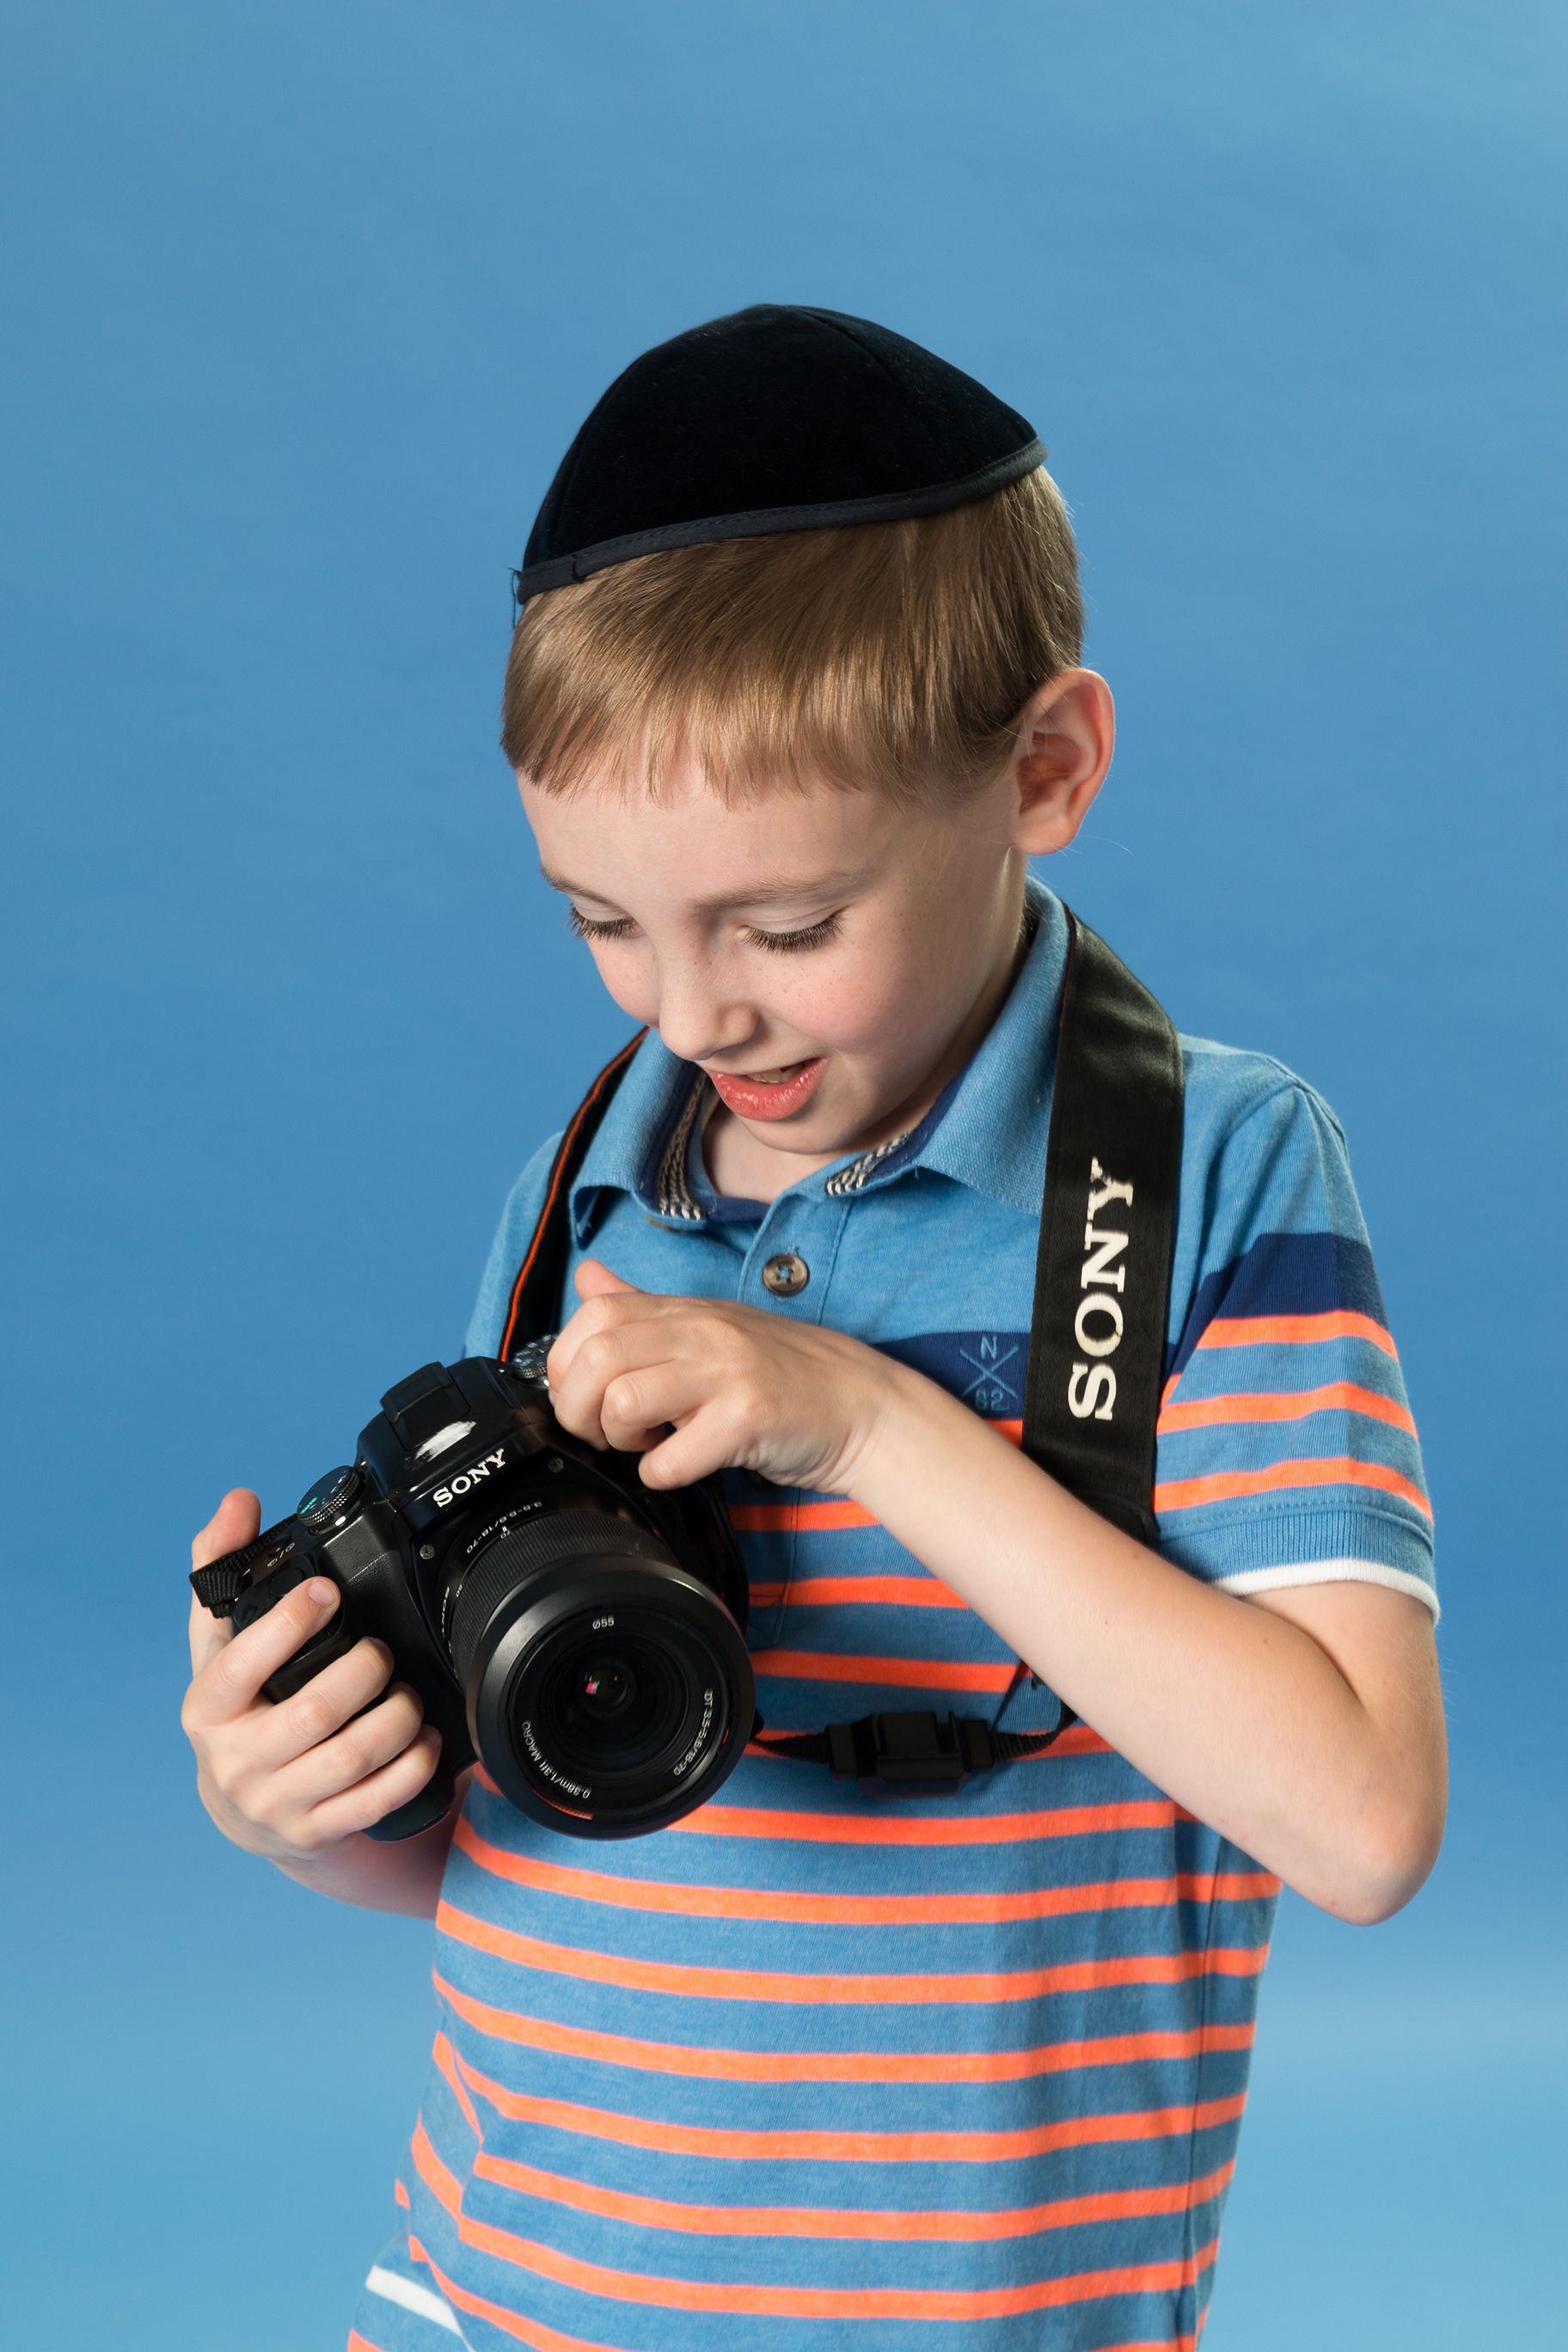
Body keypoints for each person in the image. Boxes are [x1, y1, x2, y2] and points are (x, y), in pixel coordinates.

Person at [181, 305, 1446, 2352]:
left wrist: (866, 1424)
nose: (692, 1014)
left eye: (785, 926)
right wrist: (317, 1802)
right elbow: (544, 1809)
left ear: (1044, 771)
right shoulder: (592, 1181)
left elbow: (1362, 1820)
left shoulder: (1198, 1173)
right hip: (497, 2293)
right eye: (602, 922)